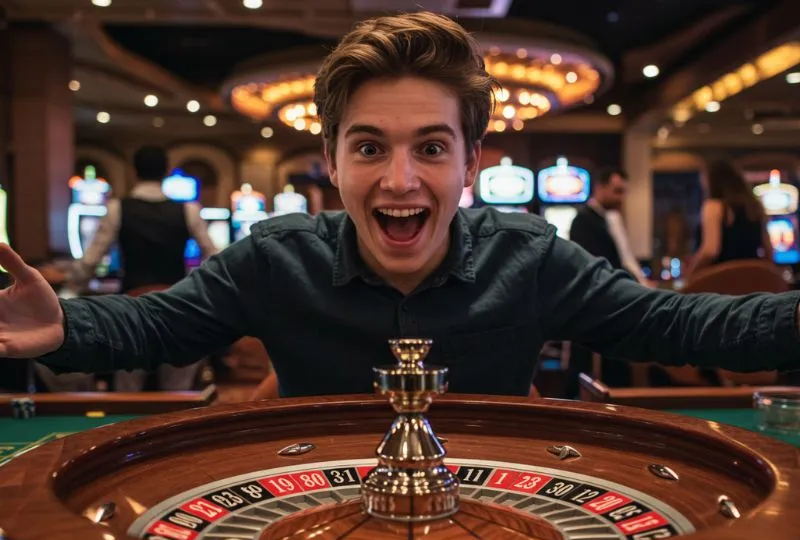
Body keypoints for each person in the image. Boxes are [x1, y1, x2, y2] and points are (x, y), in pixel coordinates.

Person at [1, 11, 800, 399]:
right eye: (370, 147)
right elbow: (152, 325)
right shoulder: (276, 257)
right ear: (332, 162)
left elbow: (684, 325)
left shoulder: (533, 256)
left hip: (496, 527)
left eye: (431, 147)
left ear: (470, 162)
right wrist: (61, 326)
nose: (400, 180)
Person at [58, 145, 218, 392]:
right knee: (178, 394)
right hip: (177, 308)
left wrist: (69, 290)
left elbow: (90, 261)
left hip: (132, 310)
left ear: (134, 172)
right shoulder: (188, 209)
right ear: (166, 171)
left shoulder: (117, 208)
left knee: (127, 392)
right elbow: (214, 257)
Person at [685, 159, 772, 279]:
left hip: (721, 283)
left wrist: (690, 276)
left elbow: (711, 250)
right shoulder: (755, 207)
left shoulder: (714, 206)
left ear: (713, 180)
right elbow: (768, 251)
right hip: (750, 282)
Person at [569, 167, 652, 287]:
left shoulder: (612, 218)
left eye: (624, 192)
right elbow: (596, 268)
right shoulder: (582, 221)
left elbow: (625, 258)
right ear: (600, 188)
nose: (621, 198)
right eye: (617, 191)